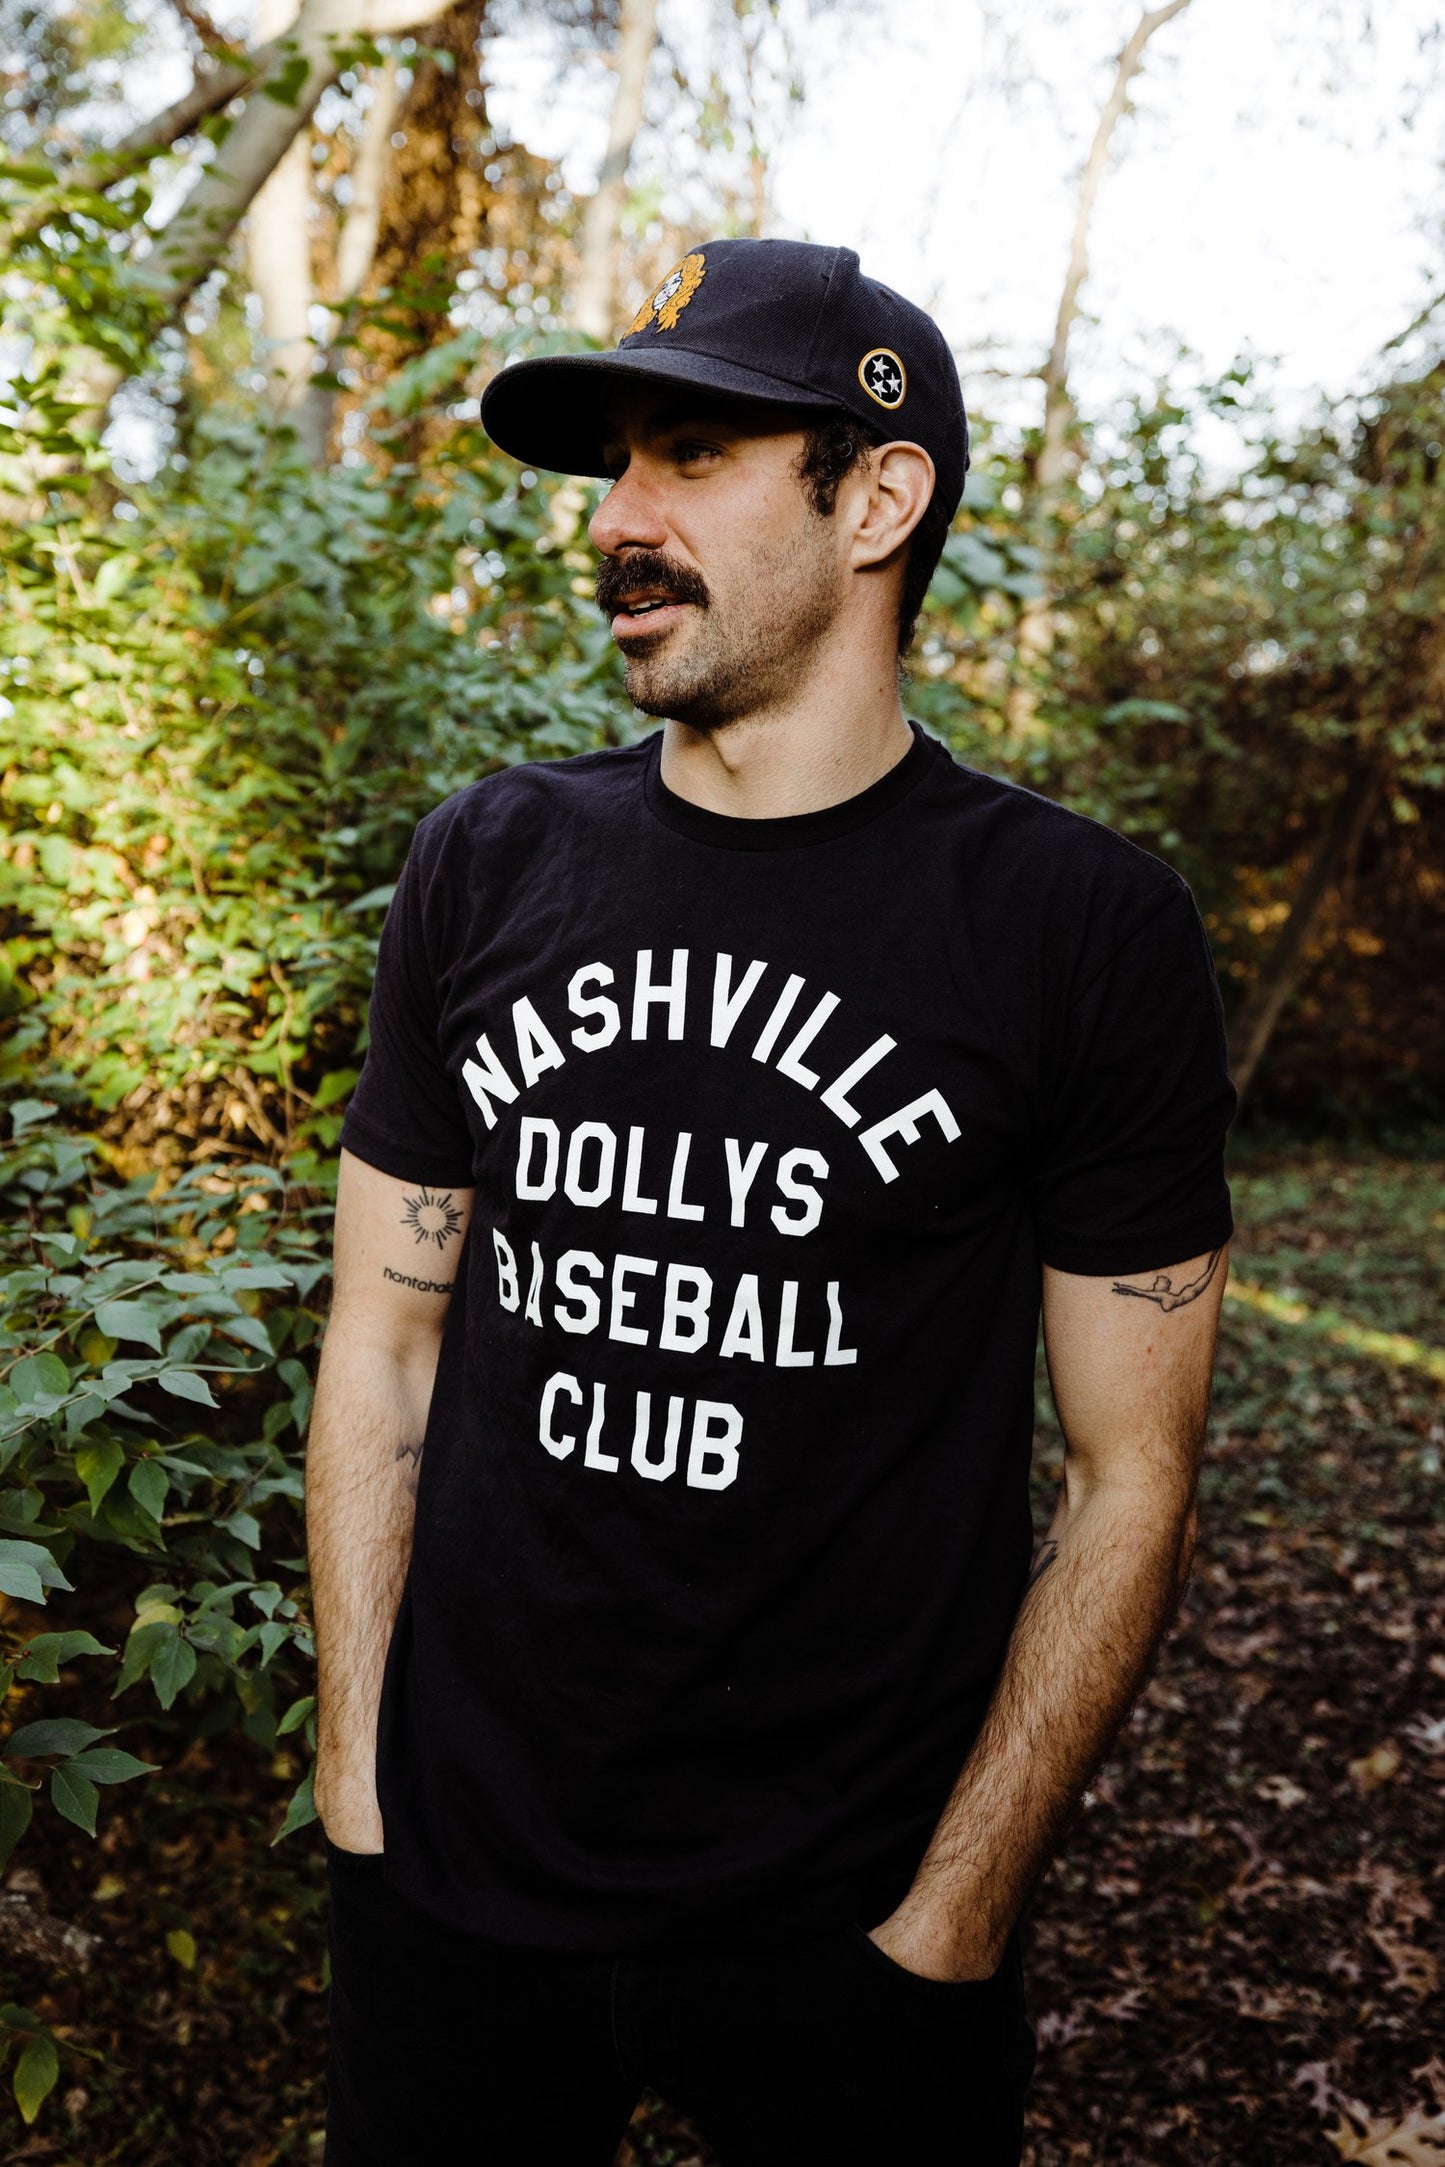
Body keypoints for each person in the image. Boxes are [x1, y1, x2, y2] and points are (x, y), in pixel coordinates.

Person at [307, 237, 1236, 2167]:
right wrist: (358, 1802)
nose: (619, 525)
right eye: (614, 468)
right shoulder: (485, 863)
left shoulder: (1075, 932)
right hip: (457, 1888)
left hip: (850, 1930)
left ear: (877, 495)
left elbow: (1128, 1475)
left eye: (694, 454)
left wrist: (950, 1917)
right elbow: (384, 1347)